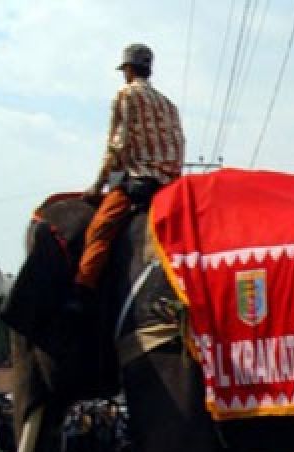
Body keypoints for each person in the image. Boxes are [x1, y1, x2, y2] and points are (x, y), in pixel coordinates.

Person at [73, 43, 185, 310]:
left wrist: (98, 185)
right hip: (171, 187)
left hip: (140, 183)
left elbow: (118, 146)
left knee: (99, 230)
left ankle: (82, 291)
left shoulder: (127, 94)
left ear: (129, 70)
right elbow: (179, 143)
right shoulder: (169, 104)